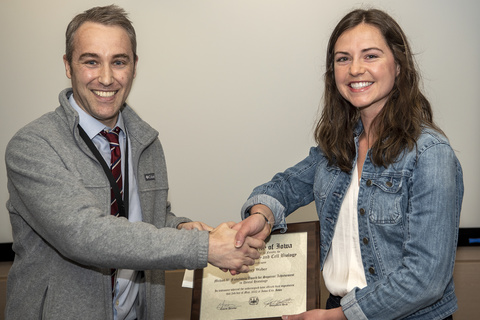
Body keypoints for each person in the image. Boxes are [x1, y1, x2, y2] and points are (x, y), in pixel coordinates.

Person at [4, 5, 263, 320]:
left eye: (119, 61)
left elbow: (145, 219)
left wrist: (180, 227)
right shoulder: (33, 146)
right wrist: (203, 247)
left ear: (134, 66)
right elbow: (84, 234)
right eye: (91, 61)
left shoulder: (146, 142)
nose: (106, 77)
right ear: (68, 66)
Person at [233, 8, 464, 320]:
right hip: (337, 308)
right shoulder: (337, 146)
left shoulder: (430, 153)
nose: (355, 69)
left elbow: (426, 279)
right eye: (343, 58)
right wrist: (262, 214)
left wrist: (339, 317)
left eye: (370, 56)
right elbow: (285, 186)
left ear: (398, 66)